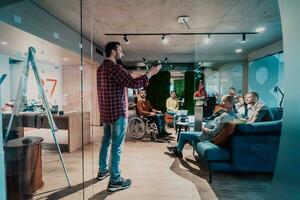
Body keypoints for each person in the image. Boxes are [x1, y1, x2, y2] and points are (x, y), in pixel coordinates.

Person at [97, 41, 161, 192]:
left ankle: (102, 171)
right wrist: (151, 73)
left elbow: (123, 80)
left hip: (106, 113)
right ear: (114, 52)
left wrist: (132, 76)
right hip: (118, 113)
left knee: (105, 143)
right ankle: (115, 180)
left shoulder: (101, 68)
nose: (122, 54)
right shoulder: (115, 67)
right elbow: (133, 83)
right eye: (120, 51)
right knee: (116, 147)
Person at [167, 95, 237, 158]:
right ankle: (176, 148)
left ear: (230, 103)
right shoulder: (231, 114)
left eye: (224, 101)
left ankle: (178, 152)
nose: (222, 103)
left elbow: (214, 133)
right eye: (222, 101)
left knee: (182, 134)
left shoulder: (226, 116)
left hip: (207, 137)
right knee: (188, 135)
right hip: (206, 134)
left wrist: (203, 128)